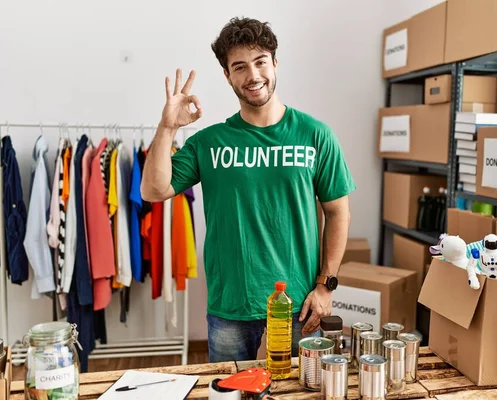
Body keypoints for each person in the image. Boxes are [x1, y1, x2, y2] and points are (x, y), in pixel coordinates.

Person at [140, 17, 356, 362]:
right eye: (239, 67)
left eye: (260, 62)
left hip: (300, 303)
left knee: (301, 391)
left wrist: (325, 285)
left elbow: (338, 211)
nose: (253, 76)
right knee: (229, 390)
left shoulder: (315, 135)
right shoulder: (209, 143)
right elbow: (153, 190)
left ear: (275, 62)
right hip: (231, 304)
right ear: (228, 76)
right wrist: (167, 128)